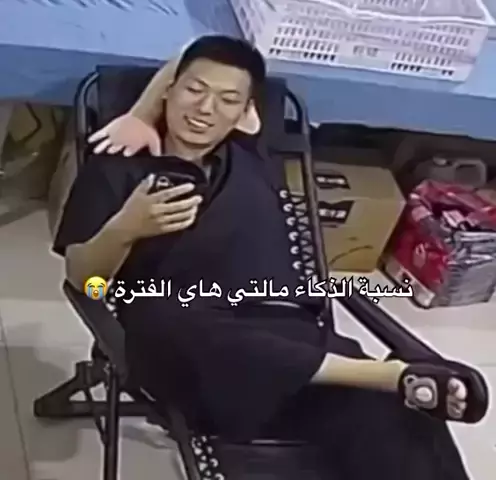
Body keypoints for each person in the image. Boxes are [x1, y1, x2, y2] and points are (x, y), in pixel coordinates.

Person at [53, 35, 483, 480]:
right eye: (193, 90)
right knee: (165, 314)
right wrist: (127, 225)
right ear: (170, 89)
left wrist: (143, 110)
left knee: (402, 414)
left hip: (290, 342)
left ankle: (388, 382)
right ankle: (386, 375)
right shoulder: (118, 167)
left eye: (227, 100)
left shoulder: (249, 150)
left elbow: (222, 50)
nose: (205, 109)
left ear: (245, 111)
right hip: (192, 359)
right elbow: (86, 280)